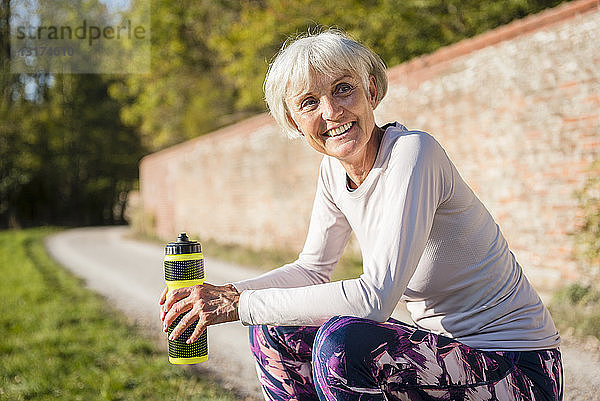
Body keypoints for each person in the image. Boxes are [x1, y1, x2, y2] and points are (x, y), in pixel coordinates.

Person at [159, 30, 563, 401]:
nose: (331, 112)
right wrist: (223, 295)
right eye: (309, 103)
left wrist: (240, 304)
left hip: (519, 370)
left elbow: (376, 298)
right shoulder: (333, 172)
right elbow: (312, 269)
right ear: (296, 123)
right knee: (277, 327)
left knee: (345, 344)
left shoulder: (413, 153)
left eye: (343, 90)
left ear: (370, 91)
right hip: (448, 360)